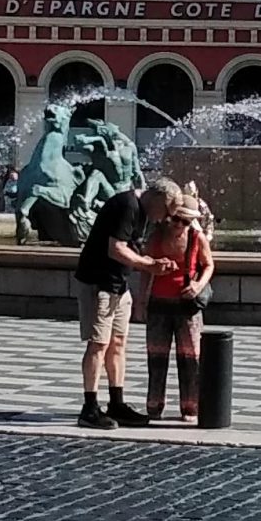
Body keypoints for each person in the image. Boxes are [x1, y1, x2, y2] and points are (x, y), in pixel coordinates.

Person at [73, 178, 164, 429]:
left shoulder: (142, 210)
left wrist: (152, 261)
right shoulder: (128, 205)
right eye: (166, 211)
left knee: (118, 344)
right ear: (156, 200)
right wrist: (148, 265)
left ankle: (117, 403)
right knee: (98, 345)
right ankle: (89, 408)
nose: (164, 219)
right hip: (99, 283)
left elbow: (131, 247)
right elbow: (116, 249)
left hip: (119, 285)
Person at [142, 181, 216, 421]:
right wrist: (142, 301)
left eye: (185, 222)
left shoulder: (196, 238)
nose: (179, 226)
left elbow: (209, 265)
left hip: (187, 307)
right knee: (156, 357)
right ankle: (154, 406)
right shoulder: (156, 237)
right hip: (159, 304)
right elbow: (145, 269)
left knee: (190, 357)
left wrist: (197, 285)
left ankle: (190, 407)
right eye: (176, 220)